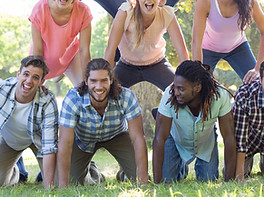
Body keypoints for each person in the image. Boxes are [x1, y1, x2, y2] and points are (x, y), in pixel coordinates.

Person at [57, 58, 148, 186]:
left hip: (117, 135)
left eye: (104, 80)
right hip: (83, 139)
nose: (99, 87)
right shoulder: (73, 99)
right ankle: (93, 171)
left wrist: (143, 182)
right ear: (86, 81)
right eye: (93, 81)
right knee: (70, 181)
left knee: (138, 175)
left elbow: (138, 138)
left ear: (111, 80)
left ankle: (124, 172)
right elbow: (65, 143)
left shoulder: (126, 96)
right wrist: (62, 186)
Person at [153, 60, 236, 183]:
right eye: (175, 87)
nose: (176, 92)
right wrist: (157, 182)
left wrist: (229, 180)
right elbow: (159, 138)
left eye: (181, 89)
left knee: (208, 180)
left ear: (197, 88)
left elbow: (229, 138)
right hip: (175, 138)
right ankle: (181, 167)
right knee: (167, 181)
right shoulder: (169, 95)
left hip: (206, 140)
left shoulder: (219, 96)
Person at [104, 0, 189, 91]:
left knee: (181, 91)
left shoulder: (166, 13)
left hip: (157, 64)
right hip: (127, 66)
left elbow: (181, 50)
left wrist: (187, 79)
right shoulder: (126, 12)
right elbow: (111, 48)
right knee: (108, 93)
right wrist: (105, 79)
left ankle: (158, 111)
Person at [192, 0, 264, 83]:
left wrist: (258, 68)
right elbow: (196, 40)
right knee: (200, 86)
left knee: (258, 82)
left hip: (238, 47)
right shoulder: (205, 0)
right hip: (208, 49)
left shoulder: (250, 0)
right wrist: (198, 69)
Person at [0, 55, 58, 188]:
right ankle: (16, 172)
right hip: (10, 141)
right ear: (18, 74)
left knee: (60, 179)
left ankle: (88, 167)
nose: (29, 81)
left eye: (35, 77)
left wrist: (49, 189)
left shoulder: (47, 101)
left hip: (40, 144)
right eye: (26, 74)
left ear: (42, 82)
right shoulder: (3, 89)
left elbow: (49, 146)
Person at [29, 0, 92, 86]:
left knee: (84, 89)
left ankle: (61, 71)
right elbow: (37, 50)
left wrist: (87, 81)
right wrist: (37, 78)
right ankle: (57, 74)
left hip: (70, 59)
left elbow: (84, 50)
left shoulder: (83, 11)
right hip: (43, 60)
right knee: (31, 91)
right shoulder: (39, 10)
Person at [233, 61, 264, 181]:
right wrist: (239, 175)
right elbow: (239, 139)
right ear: (260, 79)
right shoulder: (244, 95)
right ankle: (247, 163)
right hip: (248, 143)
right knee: (231, 173)